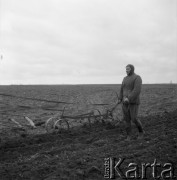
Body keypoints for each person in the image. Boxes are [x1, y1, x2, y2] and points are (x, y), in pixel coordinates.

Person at [118, 64, 144, 141]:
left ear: (132, 69)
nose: (126, 70)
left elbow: (137, 90)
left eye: (128, 69)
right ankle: (129, 136)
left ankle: (141, 132)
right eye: (126, 69)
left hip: (133, 102)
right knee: (127, 120)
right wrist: (120, 98)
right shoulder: (125, 78)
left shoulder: (137, 78)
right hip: (124, 103)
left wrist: (129, 98)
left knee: (134, 119)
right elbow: (121, 89)